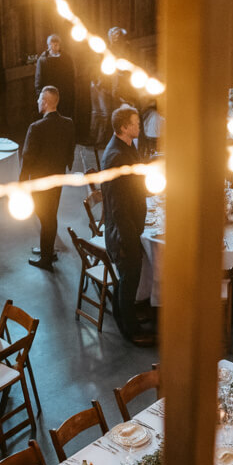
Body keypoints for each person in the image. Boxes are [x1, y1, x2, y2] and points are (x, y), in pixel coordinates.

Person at [101, 105, 153, 346]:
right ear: (124, 127)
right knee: (128, 279)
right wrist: (129, 236)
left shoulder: (127, 147)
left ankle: (125, 315)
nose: (139, 125)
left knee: (129, 278)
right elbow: (117, 206)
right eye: (135, 123)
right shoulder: (116, 158)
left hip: (130, 225)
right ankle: (130, 331)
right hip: (122, 231)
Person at [21, 86, 75, 270]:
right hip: (58, 178)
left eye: (39, 99)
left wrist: (21, 183)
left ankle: (46, 259)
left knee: (46, 218)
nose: (37, 102)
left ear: (44, 103)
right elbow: (70, 148)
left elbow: (27, 158)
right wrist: (66, 165)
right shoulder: (68, 123)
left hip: (40, 182)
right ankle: (47, 250)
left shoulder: (36, 128)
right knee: (50, 215)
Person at [34, 34, 75, 121]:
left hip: (64, 95)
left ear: (59, 45)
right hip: (49, 96)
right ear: (48, 45)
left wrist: (71, 95)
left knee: (64, 118)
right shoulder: (43, 61)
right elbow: (39, 81)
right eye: (51, 44)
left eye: (56, 44)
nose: (54, 47)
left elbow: (71, 78)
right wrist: (41, 96)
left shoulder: (66, 59)